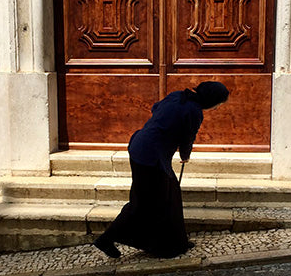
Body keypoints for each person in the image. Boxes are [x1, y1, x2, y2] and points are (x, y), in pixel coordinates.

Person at [93, 81, 230, 259]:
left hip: (142, 147)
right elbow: (187, 137)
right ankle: (106, 239)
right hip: (150, 157)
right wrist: (185, 155)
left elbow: (155, 109)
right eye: (218, 104)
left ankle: (176, 242)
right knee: (142, 203)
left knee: (170, 195)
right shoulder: (194, 111)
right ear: (211, 100)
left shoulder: (177, 96)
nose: (217, 108)